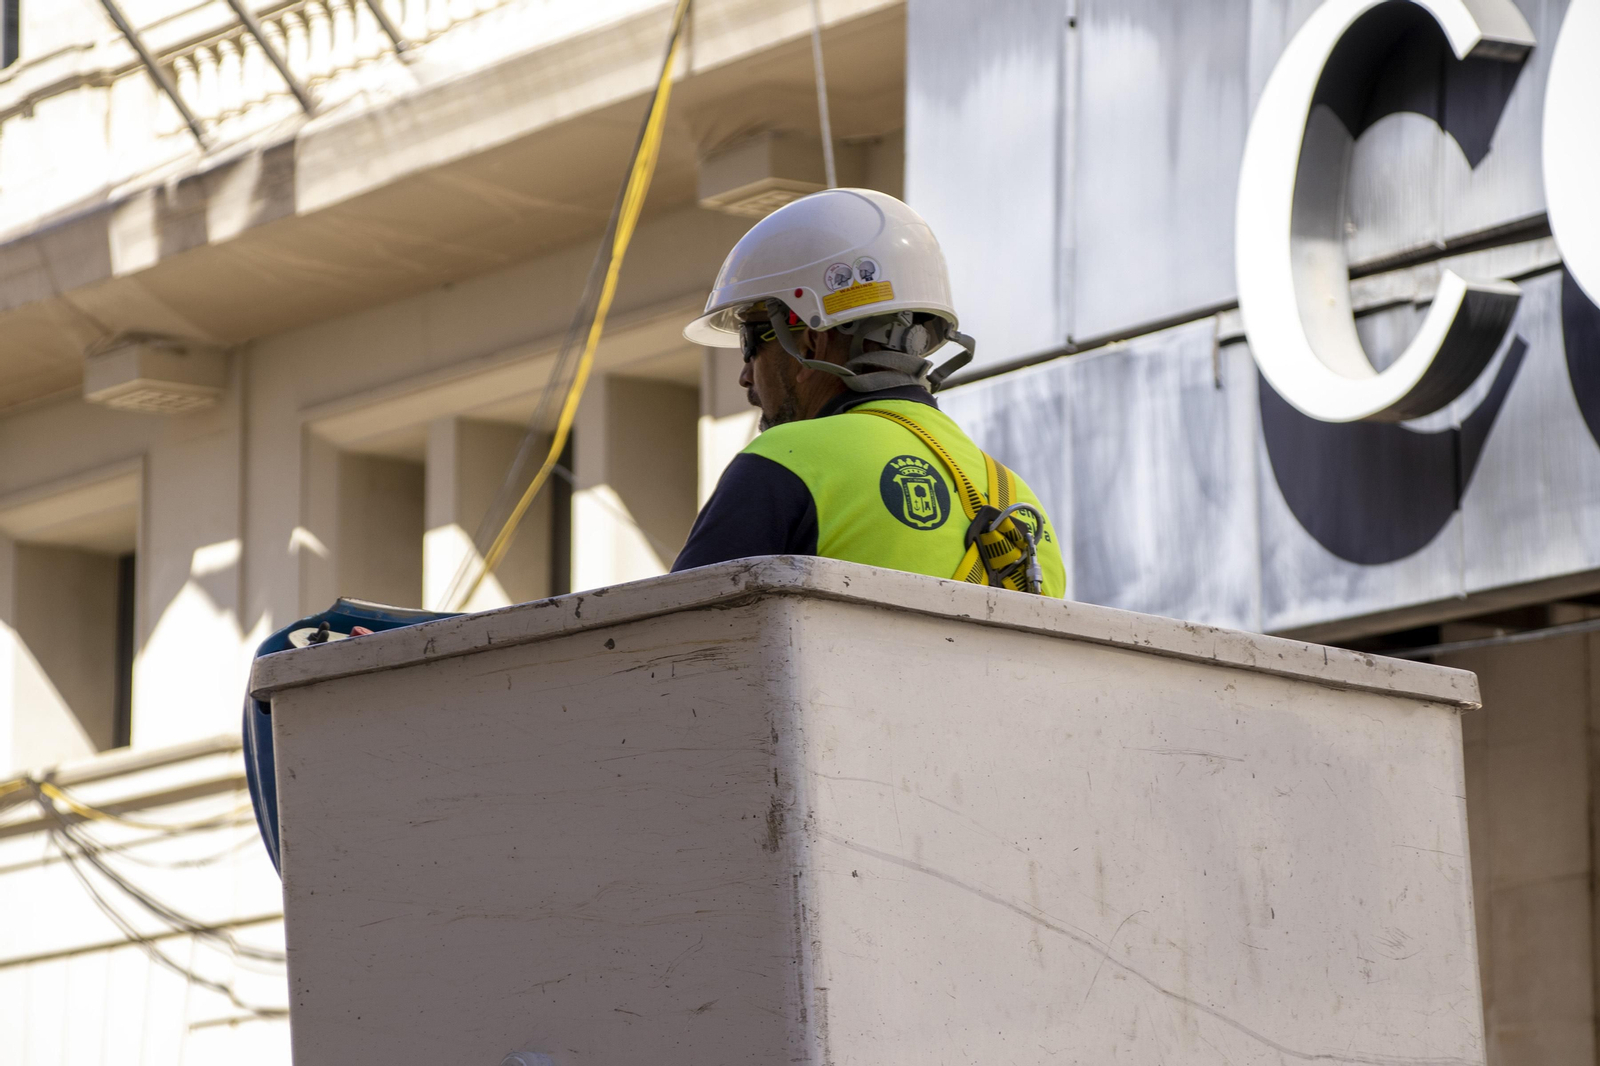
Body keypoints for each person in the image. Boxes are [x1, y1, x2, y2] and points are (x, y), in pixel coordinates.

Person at [673, 188, 1066, 597]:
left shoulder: (787, 461)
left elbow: (669, 642)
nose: (745, 377)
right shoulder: (1020, 503)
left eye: (750, 345)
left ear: (809, 343)